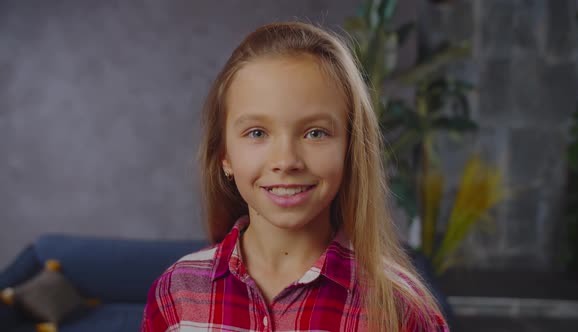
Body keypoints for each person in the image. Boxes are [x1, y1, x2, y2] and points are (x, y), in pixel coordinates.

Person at [141, 21, 449, 332]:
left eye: (315, 133)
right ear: (225, 156)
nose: (286, 161)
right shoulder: (176, 294)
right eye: (257, 132)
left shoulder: (400, 308)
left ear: (350, 149)